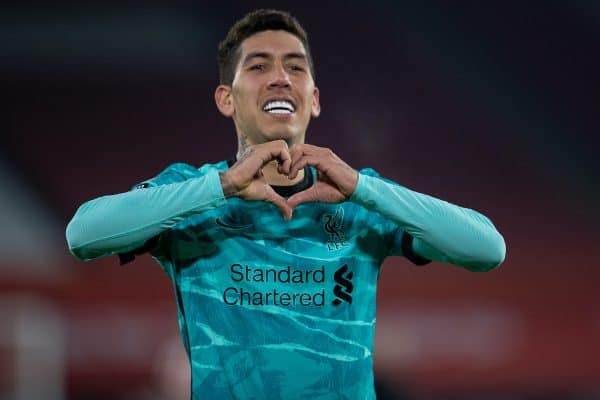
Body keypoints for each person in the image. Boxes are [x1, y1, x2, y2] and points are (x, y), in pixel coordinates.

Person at [66, 9, 506, 400]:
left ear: (313, 100)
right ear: (226, 99)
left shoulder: (358, 199)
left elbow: (487, 249)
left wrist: (361, 188)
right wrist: (222, 185)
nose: (280, 77)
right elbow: (83, 235)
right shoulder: (190, 193)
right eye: (259, 66)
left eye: (295, 67)